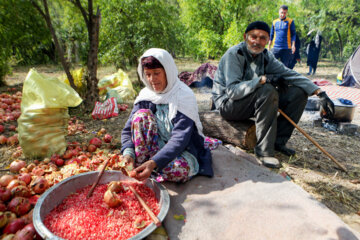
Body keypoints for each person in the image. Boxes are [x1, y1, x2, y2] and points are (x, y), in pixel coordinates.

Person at [211, 21, 334, 168]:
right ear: (245, 37)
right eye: (253, 37)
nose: (257, 41)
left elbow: (289, 74)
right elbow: (232, 91)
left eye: (262, 38)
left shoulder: (265, 56)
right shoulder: (234, 55)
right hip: (227, 104)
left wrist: (319, 92)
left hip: (248, 100)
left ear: (268, 40)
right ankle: (264, 152)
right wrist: (261, 80)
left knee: (298, 93)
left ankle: (278, 142)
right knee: (267, 89)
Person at [121, 48, 213, 182]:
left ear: (167, 72)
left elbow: (180, 139)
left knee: (179, 170)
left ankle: (148, 167)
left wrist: (154, 162)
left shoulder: (183, 95)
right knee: (141, 116)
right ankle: (142, 166)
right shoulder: (146, 95)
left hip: (180, 151)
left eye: (157, 73)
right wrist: (128, 153)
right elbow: (127, 129)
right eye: (148, 74)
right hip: (153, 147)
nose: (152, 79)